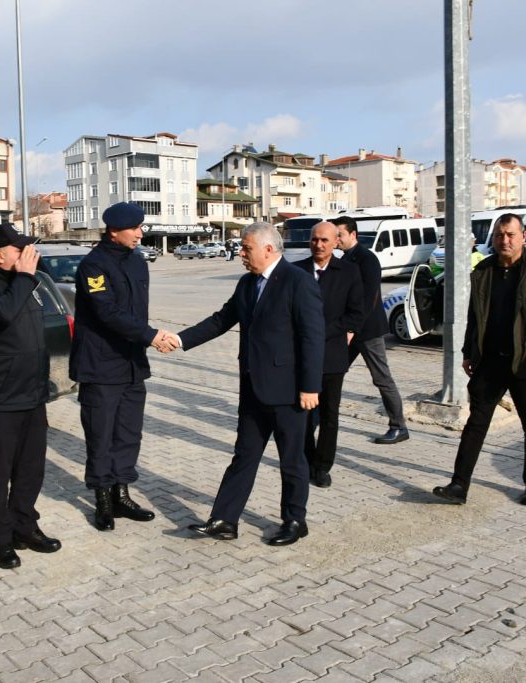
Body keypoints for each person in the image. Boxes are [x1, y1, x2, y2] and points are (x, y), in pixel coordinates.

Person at [178, 222, 325, 545]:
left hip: (290, 391)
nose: (241, 254)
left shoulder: (297, 282)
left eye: (246, 249)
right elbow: (220, 320)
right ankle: (225, 520)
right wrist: (178, 339)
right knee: (244, 455)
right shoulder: (247, 283)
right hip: (254, 388)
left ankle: (294, 520)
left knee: (292, 459)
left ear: (269, 249)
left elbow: (312, 338)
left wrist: (310, 387)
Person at [433, 214, 526, 506]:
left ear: (523, 236)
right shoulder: (484, 269)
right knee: (476, 424)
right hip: (490, 362)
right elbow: (474, 316)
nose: (505, 241)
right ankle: (458, 485)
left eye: (510, 235)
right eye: (499, 235)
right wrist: (469, 351)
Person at [70, 201, 175, 531]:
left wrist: (144, 339)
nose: (141, 233)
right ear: (114, 231)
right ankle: (102, 499)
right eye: (135, 228)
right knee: (101, 435)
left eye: (142, 227)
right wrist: (150, 336)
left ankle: (122, 493)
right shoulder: (93, 266)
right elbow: (107, 313)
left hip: (131, 364)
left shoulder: (137, 261)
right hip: (101, 367)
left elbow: (135, 312)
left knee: (128, 433)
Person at [0, 223, 60, 570]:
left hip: (31, 396)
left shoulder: (28, 282)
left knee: (30, 471)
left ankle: (25, 526)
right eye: (21, 250)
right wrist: (23, 277)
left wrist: (27, 275)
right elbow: (3, 314)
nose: (28, 255)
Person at [295, 222, 365, 488]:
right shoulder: (296, 271)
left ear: (336, 242)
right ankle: (304, 458)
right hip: (300, 356)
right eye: (314, 240)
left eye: (324, 240)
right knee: (301, 412)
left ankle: (322, 466)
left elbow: (356, 313)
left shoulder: (349, 272)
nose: (318, 245)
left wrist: (323, 331)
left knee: (329, 415)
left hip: (332, 355)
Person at [334, 215, 410, 444]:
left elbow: (368, 299)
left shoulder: (367, 259)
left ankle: (399, 427)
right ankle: (315, 419)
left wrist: (351, 329)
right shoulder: (344, 259)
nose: (336, 239)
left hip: (367, 331)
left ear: (353, 235)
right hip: (348, 330)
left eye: (340, 235)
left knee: (382, 378)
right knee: (331, 373)